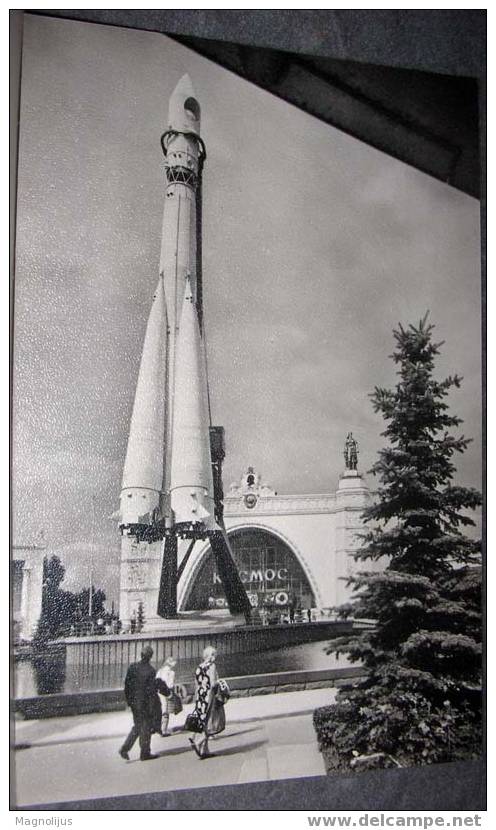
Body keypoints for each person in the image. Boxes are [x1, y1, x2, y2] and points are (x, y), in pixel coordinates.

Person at [119, 645, 169, 761]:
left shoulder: (132, 667)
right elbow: (151, 691)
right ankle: (144, 753)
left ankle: (125, 748)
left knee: (137, 726)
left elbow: (127, 686)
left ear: (141, 655)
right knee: (145, 727)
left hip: (134, 703)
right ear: (150, 657)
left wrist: (129, 701)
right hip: (145, 704)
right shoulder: (151, 670)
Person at [188, 646, 226, 759]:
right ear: (209, 656)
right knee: (212, 720)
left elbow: (197, 683)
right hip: (210, 695)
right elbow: (213, 683)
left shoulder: (199, 667)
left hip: (200, 695)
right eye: (213, 655)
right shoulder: (212, 666)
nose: (215, 657)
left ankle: (205, 751)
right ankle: (198, 742)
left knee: (203, 720)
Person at [156, 656, 178, 736]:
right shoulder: (171, 673)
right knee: (166, 712)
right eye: (174, 662)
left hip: (158, 692)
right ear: (171, 663)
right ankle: (164, 731)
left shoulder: (160, 671)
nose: (175, 664)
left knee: (161, 710)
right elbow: (170, 685)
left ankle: (159, 729)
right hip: (167, 692)